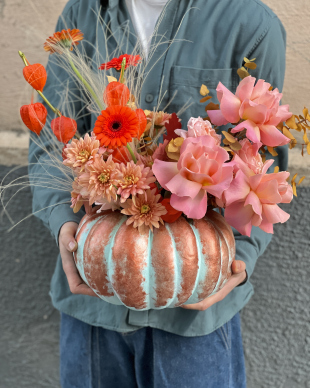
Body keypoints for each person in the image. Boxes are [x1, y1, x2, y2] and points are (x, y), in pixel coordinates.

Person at [28, 0, 288, 386]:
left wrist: (239, 260)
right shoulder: (83, 14)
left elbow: (264, 163)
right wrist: (63, 223)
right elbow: (53, 141)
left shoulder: (251, 23)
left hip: (196, 307)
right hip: (94, 299)